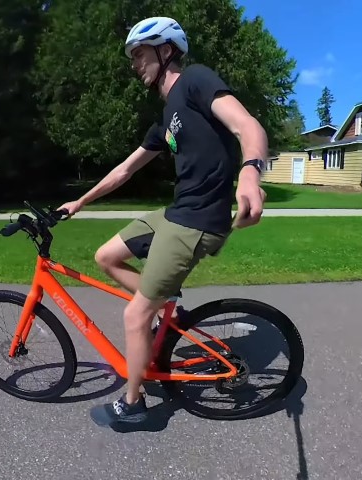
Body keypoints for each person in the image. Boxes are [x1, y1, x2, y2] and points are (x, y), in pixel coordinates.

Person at [58, 16, 268, 426]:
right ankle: (160, 307)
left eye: (140, 53)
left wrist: (251, 171)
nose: (135, 63)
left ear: (166, 50)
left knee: (133, 316)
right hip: (176, 213)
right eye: (133, 56)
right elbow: (125, 170)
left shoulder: (195, 81)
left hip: (198, 221)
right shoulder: (167, 116)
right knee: (107, 256)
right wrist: (80, 201)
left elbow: (247, 125)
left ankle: (135, 407)